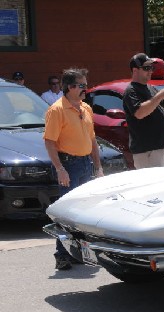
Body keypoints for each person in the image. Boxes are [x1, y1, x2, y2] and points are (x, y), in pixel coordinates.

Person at [43, 68, 104, 270]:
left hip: (86, 164)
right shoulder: (57, 110)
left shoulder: (86, 108)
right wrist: (60, 168)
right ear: (70, 87)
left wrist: (98, 167)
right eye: (82, 85)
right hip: (68, 165)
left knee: (83, 213)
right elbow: (50, 142)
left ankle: (78, 253)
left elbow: (92, 140)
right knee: (66, 213)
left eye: (86, 84)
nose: (86, 88)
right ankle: (61, 255)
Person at [123, 53, 164, 169]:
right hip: (146, 151)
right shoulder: (131, 91)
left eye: (151, 68)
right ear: (135, 70)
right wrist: (159, 96)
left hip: (159, 148)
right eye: (146, 68)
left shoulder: (149, 88)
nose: (150, 71)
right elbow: (139, 113)